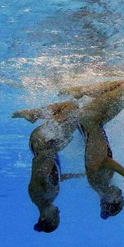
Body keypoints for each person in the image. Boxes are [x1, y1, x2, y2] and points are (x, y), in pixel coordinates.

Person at [62, 80, 124, 219]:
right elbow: (94, 165)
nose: (121, 193)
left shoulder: (100, 182)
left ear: (111, 199)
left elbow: (104, 161)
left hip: (90, 119)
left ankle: (81, 91)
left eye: (120, 198)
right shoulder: (99, 185)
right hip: (93, 122)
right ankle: (85, 92)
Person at [13, 100, 82, 233]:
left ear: (43, 217)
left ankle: (33, 114)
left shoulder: (36, 195)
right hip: (50, 143)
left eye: (55, 217)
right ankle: (35, 114)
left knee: (72, 109)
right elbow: (56, 176)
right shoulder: (50, 198)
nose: (58, 212)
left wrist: (56, 149)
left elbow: (37, 162)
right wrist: (79, 175)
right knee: (73, 114)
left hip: (41, 141)